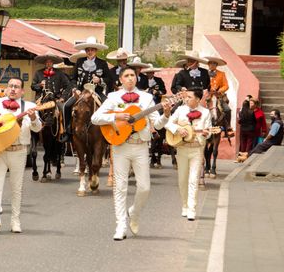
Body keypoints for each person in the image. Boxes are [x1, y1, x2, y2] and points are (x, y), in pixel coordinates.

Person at [91, 66, 171, 241]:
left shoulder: (147, 98)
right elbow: (95, 118)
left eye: (132, 76)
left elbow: (156, 124)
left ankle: (134, 211)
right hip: (120, 145)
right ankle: (121, 225)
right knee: (120, 186)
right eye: (126, 76)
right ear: (120, 79)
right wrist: (116, 117)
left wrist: (165, 114)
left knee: (145, 187)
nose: (130, 78)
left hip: (141, 146)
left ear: (136, 79)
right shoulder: (113, 97)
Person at [0, 77, 42, 234]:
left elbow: (37, 128)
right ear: (6, 89)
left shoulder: (29, 106)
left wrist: (33, 117)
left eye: (17, 87)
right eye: (11, 86)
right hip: (0, 149)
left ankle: (15, 220)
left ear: (22, 91)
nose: (13, 89)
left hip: (19, 150)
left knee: (16, 187)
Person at [165, 88, 212, 221]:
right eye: (185, 97)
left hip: (197, 149)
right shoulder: (180, 110)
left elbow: (208, 130)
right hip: (182, 148)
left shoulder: (206, 112)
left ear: (197, 99)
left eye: (189, 97)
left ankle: (192, 208)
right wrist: (178, 129)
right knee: (182, 180)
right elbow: (168, 123)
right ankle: (184, 205)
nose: (186, 99)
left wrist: (206, 133)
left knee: (193, 180)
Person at [60, 36, 111, 142]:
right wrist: (75, 89)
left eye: (92, 49)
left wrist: (100, 80)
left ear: (96, 50)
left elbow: (109, 79)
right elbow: (73, 78)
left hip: (96, 92)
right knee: (66, 106)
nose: (90, 51)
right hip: (80, 92)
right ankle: (68, 131)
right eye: (88, 49)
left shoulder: (102, 63)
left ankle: (108, 132)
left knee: (108, 105)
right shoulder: (79, 61)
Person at [204, 55, 234, 136]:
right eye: (210, 63)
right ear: (208, 64)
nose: (212, 65)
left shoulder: (221, 74)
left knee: (227, 109)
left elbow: (226, 85)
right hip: (206, 95)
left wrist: (219, 91)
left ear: (216, 65)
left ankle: (228, 127)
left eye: (214, 64)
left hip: (218, 96)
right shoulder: (204, 73)